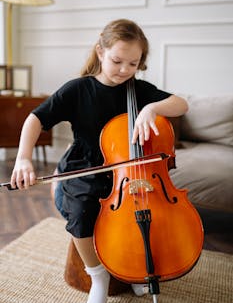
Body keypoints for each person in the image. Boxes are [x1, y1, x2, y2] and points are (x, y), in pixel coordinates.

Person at [10, 19, 188, 303]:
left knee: (144, 214)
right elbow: (36, 119)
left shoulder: (138, 90)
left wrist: (152, 108)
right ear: (101, 52)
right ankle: (97, 274)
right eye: (118, 60)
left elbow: (181, 104)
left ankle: (139, 270)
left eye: (133, 63)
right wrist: (23, 159)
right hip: (84, 166)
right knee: (82, 212)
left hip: (128, 170)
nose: (124, 70)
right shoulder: (78, 89)